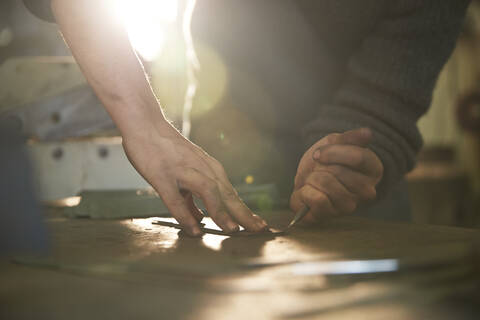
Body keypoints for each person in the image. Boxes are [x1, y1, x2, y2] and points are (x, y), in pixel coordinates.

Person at [22, 0, 470, 236]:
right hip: (221, 168)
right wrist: (145, 123)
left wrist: (342, 162)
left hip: (357, 208)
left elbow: (383, 104)